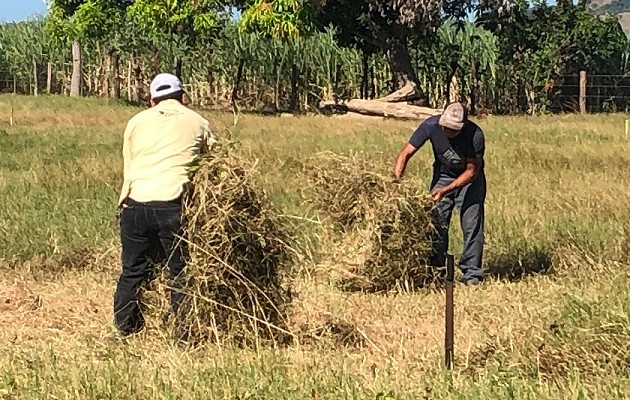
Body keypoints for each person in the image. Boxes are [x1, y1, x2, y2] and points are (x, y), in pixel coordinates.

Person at [114, 73, 215, 336]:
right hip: (174, 205)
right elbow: (215, 164)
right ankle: (182, 334)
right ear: (183, 98)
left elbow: (130, 164)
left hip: (134, 205)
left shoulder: (135, 122)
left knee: (132, 270)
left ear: (151, 101)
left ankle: (126, 330)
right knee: (180, 271)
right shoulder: (198, 121)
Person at [393, 102, 486, 285]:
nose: (447, 132)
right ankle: (436, 271)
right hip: (443, 175)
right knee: (436, 222)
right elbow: (405, 154)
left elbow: (472, 171)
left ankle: (472, 275)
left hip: (469, 181)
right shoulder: (430, 126)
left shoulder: (475, 135)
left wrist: (445, 190)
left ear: (463, 125)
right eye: (445, 127)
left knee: (472, 224)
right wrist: (394, 184)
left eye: (453, 130)